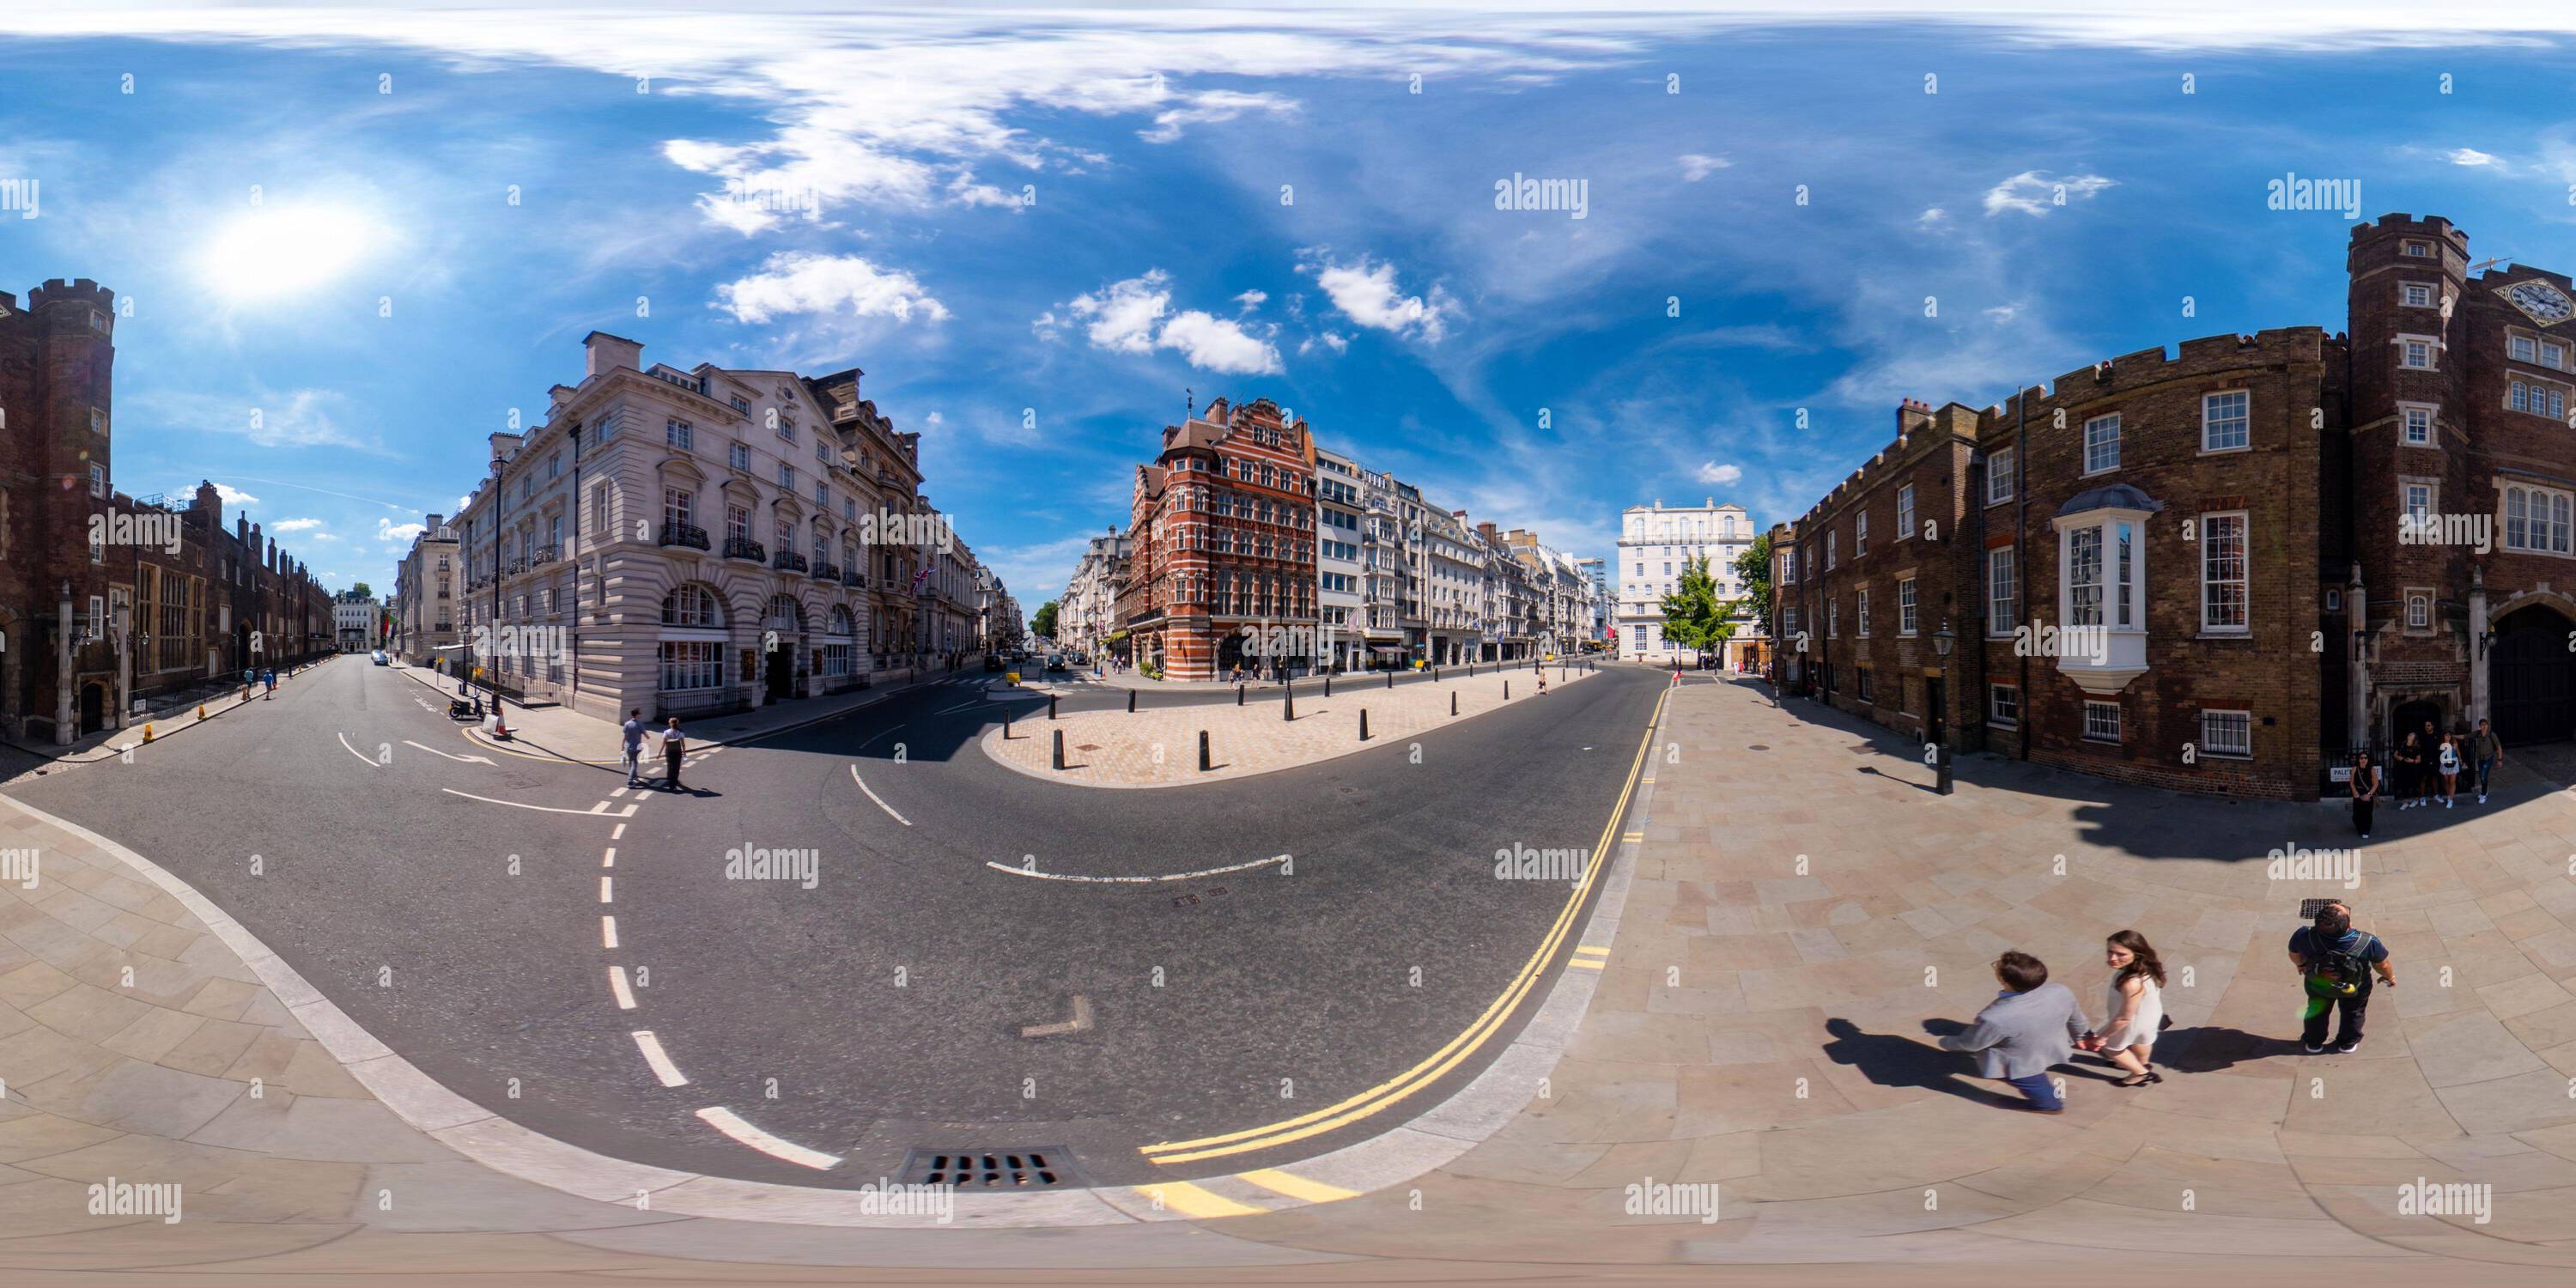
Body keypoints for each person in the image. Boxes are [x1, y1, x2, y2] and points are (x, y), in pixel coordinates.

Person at [1938, 951, 2091, 1113]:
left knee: (2032, 1082)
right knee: (2035, 1078)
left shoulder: (1995, 1017)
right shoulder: (2060, 991)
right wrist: (2083, 1034)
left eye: (1997, 966)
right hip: (2053, 1045)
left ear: (2004, 980)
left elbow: (1972, 1043)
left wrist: (1947, 1043)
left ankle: (2049, 1105)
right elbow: (2077, 1018)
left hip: (2022, 1061)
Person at [2290, 901, 2393, 1054]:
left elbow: (2295, 955)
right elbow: (2382, 965)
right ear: (2349, 924)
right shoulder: (2367, 942)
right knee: (2354, 1012)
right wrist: (2389, 977)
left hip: (2319, 984)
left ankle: (2314, 1043)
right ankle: (2347, 1043)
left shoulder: (2304, 935)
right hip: (2354, 986)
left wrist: (2301, 965)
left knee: (2317, 1011)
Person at [2079, 931, 2167, 1087]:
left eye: (2121, 954)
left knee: (2110, 1048)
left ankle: (2140, 1073)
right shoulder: (2148, 969)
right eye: (2110, 952)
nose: (2112, 958)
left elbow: (2124, 1018)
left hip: (2132, 1022)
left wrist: (2102, 1038)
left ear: (2137, 954)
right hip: (2150, 1018)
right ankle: (2142, 1064)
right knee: (2142, 1041)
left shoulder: (2131, 983)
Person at [2471, 717, 2502, 805]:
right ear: (2480, 726)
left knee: (2483, 776)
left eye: (2485, 725)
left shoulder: (2492, 734)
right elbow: (2466, 736)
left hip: (2488, 759)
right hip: (2480, 759)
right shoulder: (2477, 734)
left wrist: (2499, 759)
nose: (2484, 726)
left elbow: (2499, 747)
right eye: (2482, 725)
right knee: (2481, 776)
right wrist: (2452, 736)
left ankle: (2484, 794)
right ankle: (2483, 792)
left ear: (2487, 725)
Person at [2349, 750, 2379, 839]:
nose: (2363, 759)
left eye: (2365, 758)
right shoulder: (2355, 769)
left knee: (2367, 813)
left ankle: (2366, 830)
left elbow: (2376, 784)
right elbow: (2351, 782)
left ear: (2368, 759)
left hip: (2367, 792)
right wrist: (2355, 792)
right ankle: (2360, 828)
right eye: (2361, 758)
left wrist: (2369, 794)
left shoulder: (2372, 770)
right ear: (2358, 759)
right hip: (2357, 792)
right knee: (2356, 814)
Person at [2392, 731, 2422, 811]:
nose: (2410, 736)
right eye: (2409, 735)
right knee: (2404, 784)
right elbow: (2395, 754)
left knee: (2414, 784)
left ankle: (2416, 800)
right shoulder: (2402, 745)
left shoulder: (2416, 747)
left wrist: (2412, 760)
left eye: (2412, 735)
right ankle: (2405, 802)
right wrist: (2400, 758)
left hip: (2413, 768)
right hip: (2403, 767)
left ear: (2414, 738)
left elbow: (2419, 760)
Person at [621, 708, 647, 787]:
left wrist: (622, 746)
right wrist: (647, 736)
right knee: (634, 764)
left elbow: (625, 736)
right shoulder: (639, 724)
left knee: (631, 762)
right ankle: (630, 781)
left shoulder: (627, 724)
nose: (640, 715)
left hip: (628, 746)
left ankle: (635, 776)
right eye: (639, 713)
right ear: (637, 715)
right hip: (636, 747)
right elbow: (646, 735)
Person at [660, 717, 687, 792]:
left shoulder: (666, 732)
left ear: (670, 724)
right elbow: (683, 744)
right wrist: (684, 752)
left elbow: (663, 744)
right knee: (676, 767)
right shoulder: (680, 732)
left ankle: (669, 779)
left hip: (669, 751)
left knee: (670, 766)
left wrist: (659, 753)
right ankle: (673, 782)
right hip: (677, 751)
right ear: (677, 724)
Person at [2437, 731, 2462, 808]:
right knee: (2446, 781)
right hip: (2445, 762)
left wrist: (2460, 759)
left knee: (2452, 781)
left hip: (2453, 762)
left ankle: (2451, 799)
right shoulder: (2441, 744)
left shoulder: (2454, 743)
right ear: (2443, 736)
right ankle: (2449, 795)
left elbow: (2458, 752)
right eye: (2446, 735)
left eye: (2449, 735)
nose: (2448, 737)